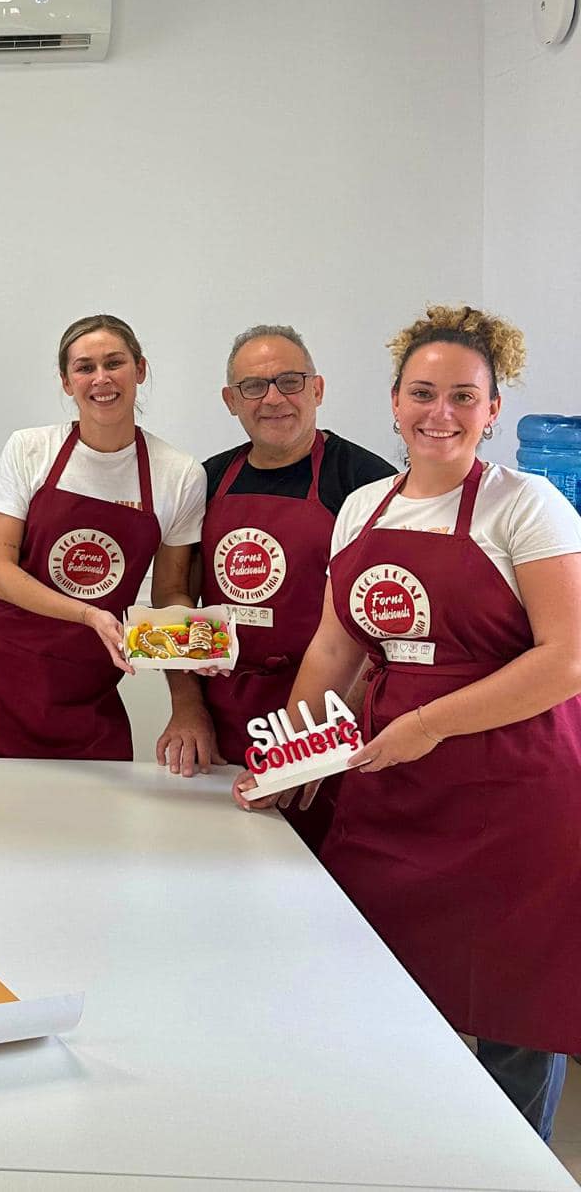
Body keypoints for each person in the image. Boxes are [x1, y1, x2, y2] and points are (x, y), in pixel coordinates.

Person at [234, 305, 581, 1140]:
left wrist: (429, 725)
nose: (441, 413)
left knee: (510, 1011)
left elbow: (566, 658)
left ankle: (512, 1170)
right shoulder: (362, 508)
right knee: (373, 996)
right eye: (423, 393)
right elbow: (333, 650)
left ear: (493, 410)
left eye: (464, 396)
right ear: (393, 402)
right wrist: (292, 757)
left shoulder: (526, 507)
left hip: (515, 792)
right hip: (394, 790)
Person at [0, 315, 208, 762]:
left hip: (87, 685)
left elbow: (171, 592)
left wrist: (189, 693)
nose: (101, 379)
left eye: (114, 363)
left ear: (140, 369)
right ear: (66, 382)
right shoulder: (30, 449)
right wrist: (88, 615)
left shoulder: (178, 474)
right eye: (84, 367)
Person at [166, 325, 392, 846]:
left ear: (317, 389)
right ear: (230, 400)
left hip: (333, 724)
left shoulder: (365, 482)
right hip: (221, 724)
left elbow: (376, 630)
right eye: (253, 386)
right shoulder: (207, 480)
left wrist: (312, 742)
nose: (273, 398)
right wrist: (187, 706)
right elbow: (174, 594)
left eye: (289, 381)